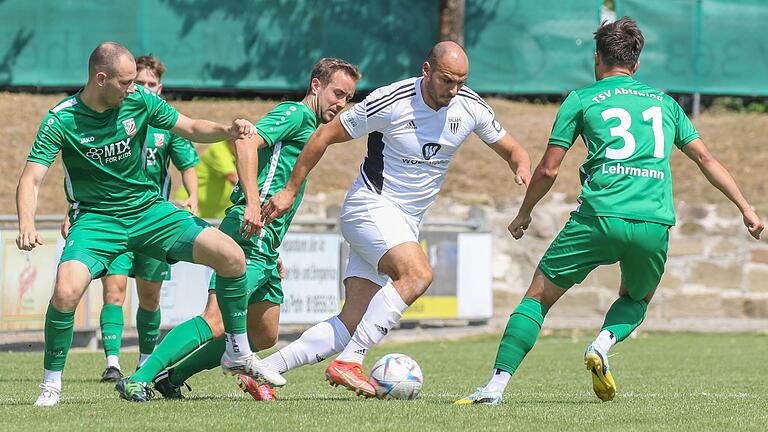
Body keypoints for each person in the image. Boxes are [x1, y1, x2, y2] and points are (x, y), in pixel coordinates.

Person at [455, 17, 765, 406]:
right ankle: (602, 343)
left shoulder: (581, 100)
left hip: (599, 217)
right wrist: (746, 208)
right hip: (653, 222)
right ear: (636, 64)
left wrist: (524, 213)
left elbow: (550, 168)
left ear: (596, 58)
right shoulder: (666, 104)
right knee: (637, 298)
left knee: (538, 297)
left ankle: (495, 387)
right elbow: (705, 158)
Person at [16, 42, 283, 407]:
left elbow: (189, 126)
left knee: (232, 257)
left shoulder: (139, 100)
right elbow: (31, 178)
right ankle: (51, 386)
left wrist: (227, 130)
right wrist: (27, 223)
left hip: (148, 212)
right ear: (101, 78)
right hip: (96, 219)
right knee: (65, 292)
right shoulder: (61, 119)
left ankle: (238, 350)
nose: (133, 88)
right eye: (125, 82)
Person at [260, 41, 531, 398]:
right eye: (447, 81)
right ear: (427, 70)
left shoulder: (469, 106)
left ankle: (265, 371)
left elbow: (513, 148)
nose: (454, 90)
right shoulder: (392, 100)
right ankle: (351, 360)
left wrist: (521, 167)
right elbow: (324, 135)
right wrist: (292, 189)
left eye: (461, 82)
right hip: (370, 207)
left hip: (403, 223)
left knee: (352, 320)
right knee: (417, 274)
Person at [116, 58, 361, 402]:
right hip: (248, 232)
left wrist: (273, 246)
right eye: (337, 93)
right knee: (216, 320)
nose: (340, 104)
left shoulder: (312, 128)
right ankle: (138, 378)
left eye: (348, 98)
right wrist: (251, 202)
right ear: (316, 85)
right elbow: (245, 143)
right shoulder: (293, 115)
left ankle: (173, 378)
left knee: (262, 333)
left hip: (266, 240)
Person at [59, 54, 201, 383]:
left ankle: (145, 361)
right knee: (114, 291)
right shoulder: (113, 117)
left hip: (153, 222)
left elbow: (188, 164)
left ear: (160, 87)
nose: (145, 89)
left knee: (150, 296)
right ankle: (111, 362)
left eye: (152, 84)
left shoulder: (165, 126)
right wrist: (73, 213)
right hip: (111, 218)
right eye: (140, 83)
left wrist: (190, 196)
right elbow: (84, 172)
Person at [175, 139, 237, 219]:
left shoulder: (242, 153)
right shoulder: (218, 149)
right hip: (191, 205)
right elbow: (233, 178)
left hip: (216, 213)